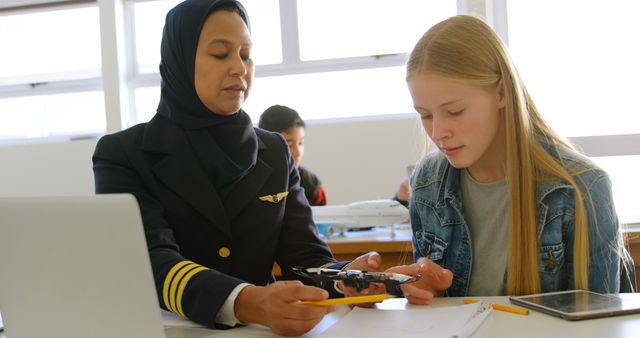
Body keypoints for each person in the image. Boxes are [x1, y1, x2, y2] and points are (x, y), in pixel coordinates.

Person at [92, 1, 381, 336]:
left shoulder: (273, 150)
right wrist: (248, 301)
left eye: (245, 54)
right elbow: (151, 262)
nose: (240, 68)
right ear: (180, 61)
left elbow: (304, 257)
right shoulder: (124, 154)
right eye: (220, 54)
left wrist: (348, 278)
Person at [386, 15, 632, 303]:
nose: (438, 133)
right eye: (425, 115)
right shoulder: (427, 181)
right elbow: (435, 313)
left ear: (501, 92)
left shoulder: (583, 188)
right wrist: (426, 291)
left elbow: (600, 324)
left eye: (454, 111)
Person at [258, 104, 327, 206]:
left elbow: (322, 219)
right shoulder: (253, 180)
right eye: (289, 145)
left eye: (300, 143)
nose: (298, 153)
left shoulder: (311, 184)